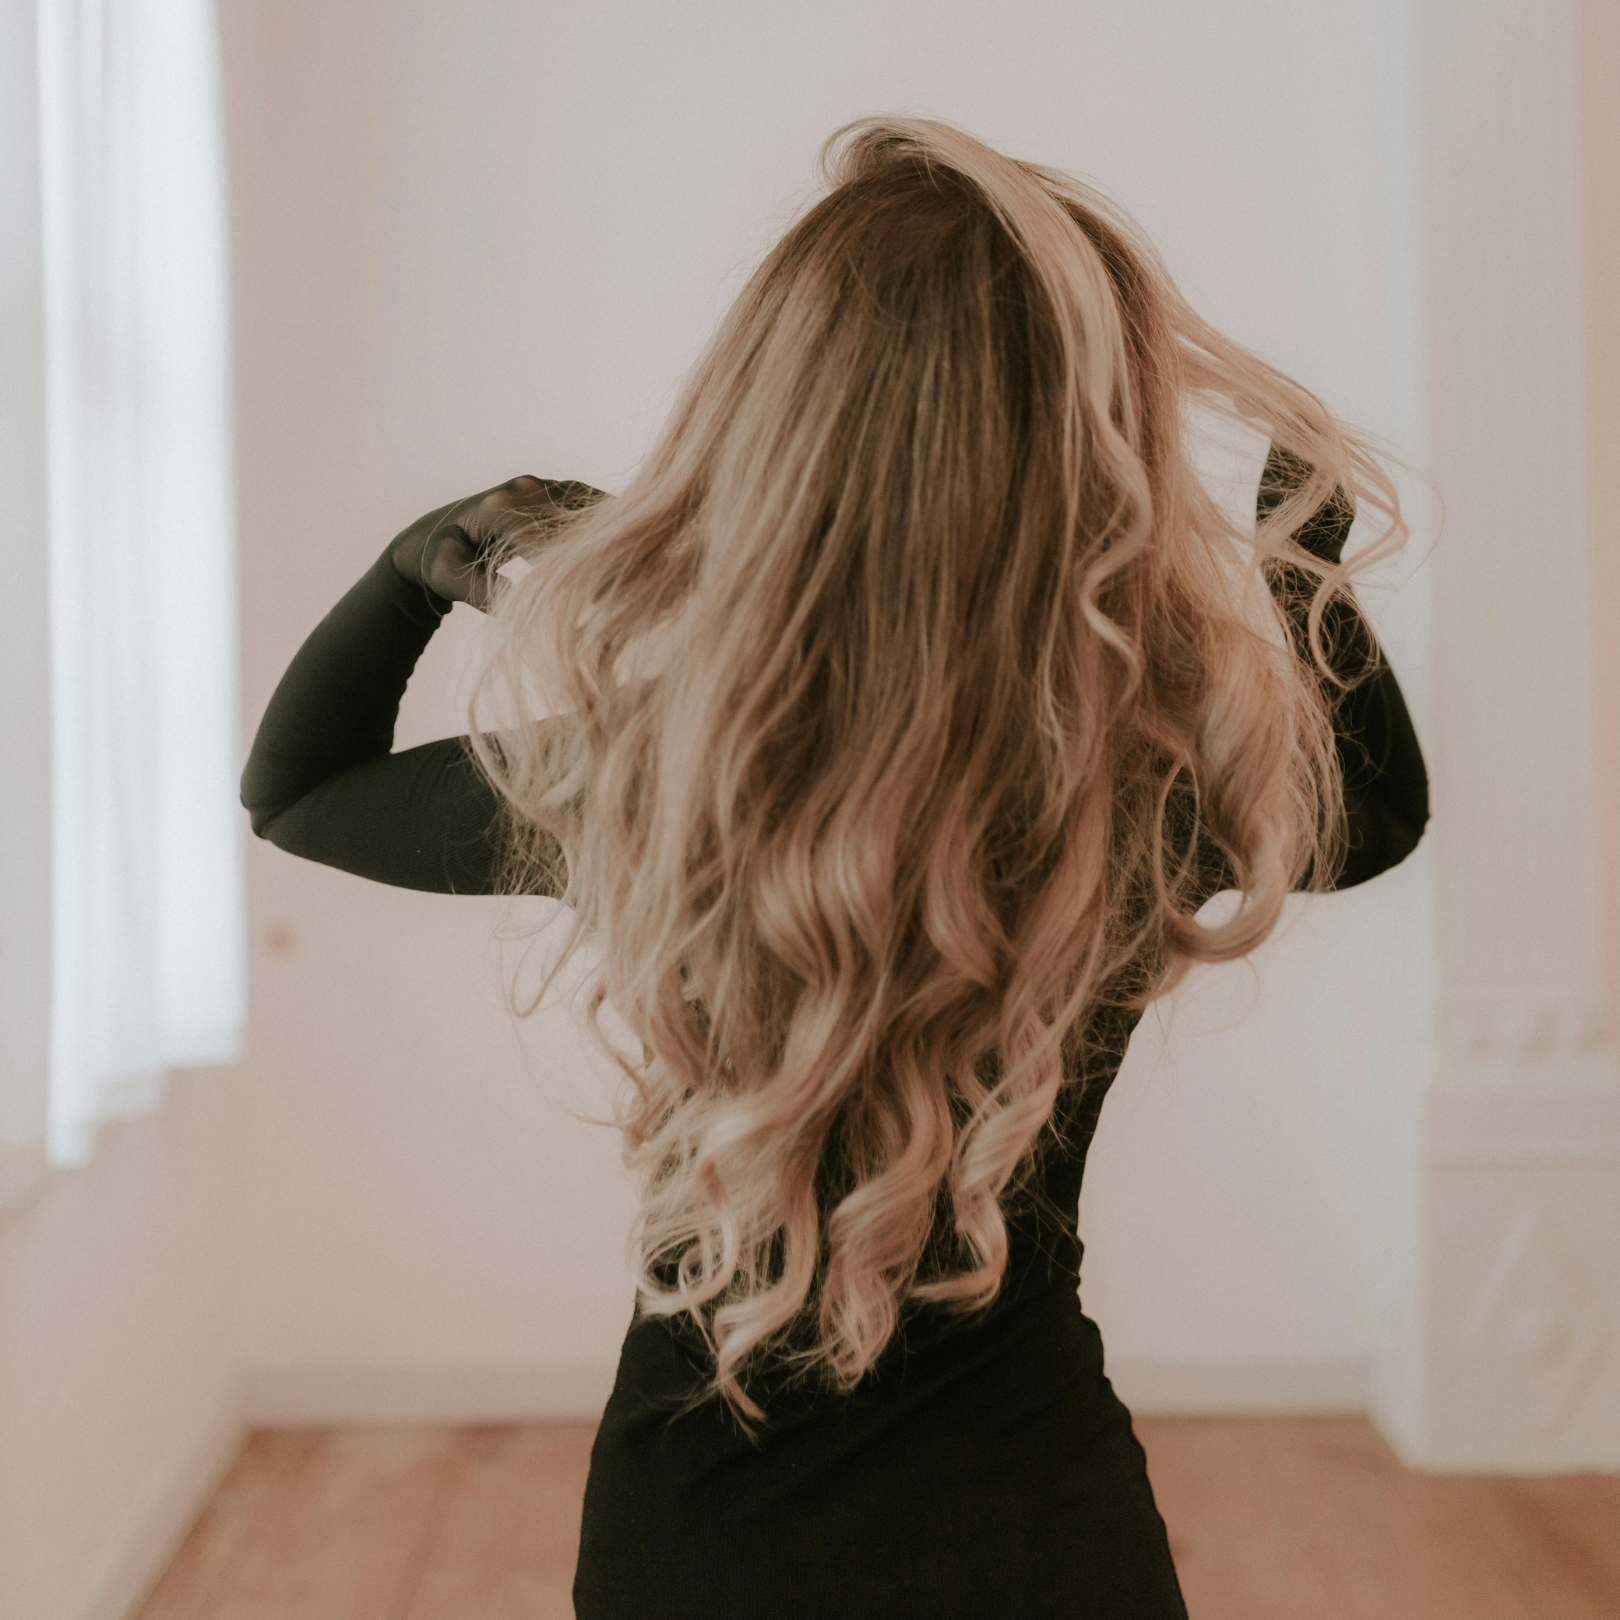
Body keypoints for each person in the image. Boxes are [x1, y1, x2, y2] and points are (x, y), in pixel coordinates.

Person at [241, 115, 1428, 1619]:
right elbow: (1373, 818)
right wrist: (1288, 543)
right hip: (1037, 1533)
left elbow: (297, 791)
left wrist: (421, 557)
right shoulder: (1125, 789)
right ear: (1086, 445)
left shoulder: (657, 784)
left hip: (703, 1535)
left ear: (775, 429)